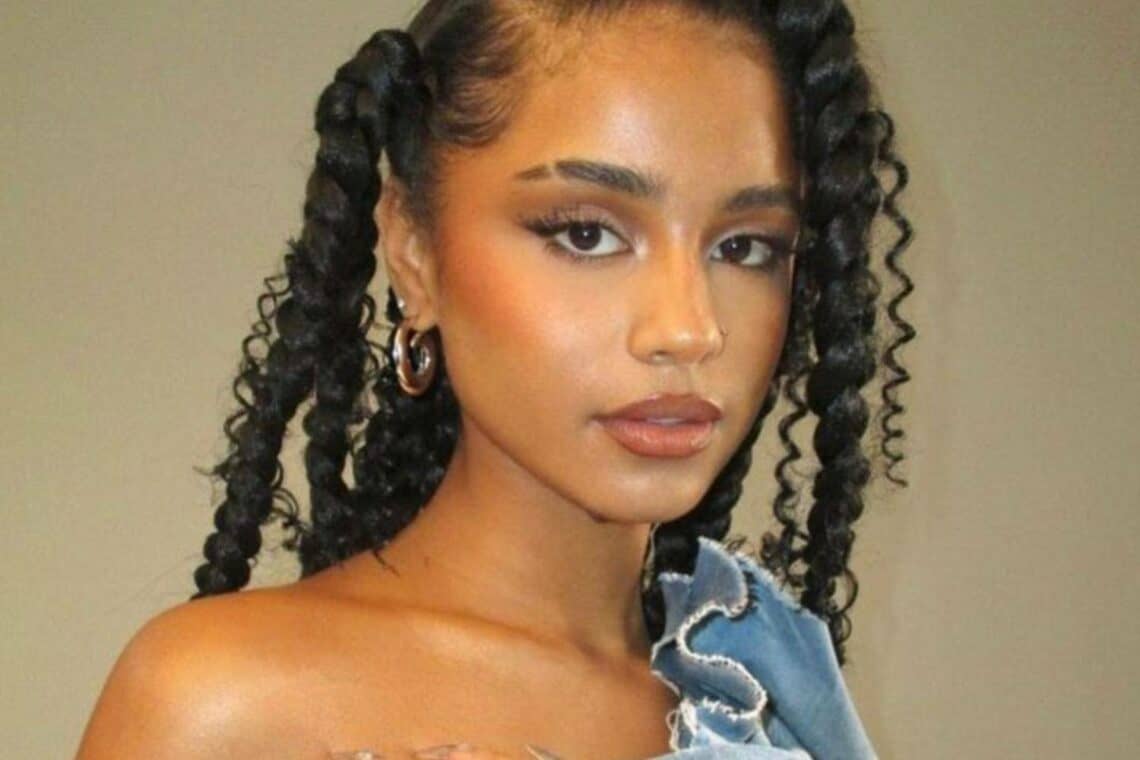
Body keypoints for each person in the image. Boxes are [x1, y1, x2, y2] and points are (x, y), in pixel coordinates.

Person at [76, 0, 914, 757]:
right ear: (414, 251)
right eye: (585, 234)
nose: (690, 329)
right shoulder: (224, 706)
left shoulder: (775, 703)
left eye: (746, 246)